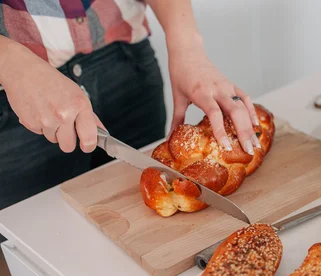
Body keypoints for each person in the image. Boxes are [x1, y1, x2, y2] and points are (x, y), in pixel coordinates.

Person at [0, 0, 260, 212]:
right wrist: (10, 64)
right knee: (38, 245)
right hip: (17, 94)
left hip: (126, 61)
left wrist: (187, 44)